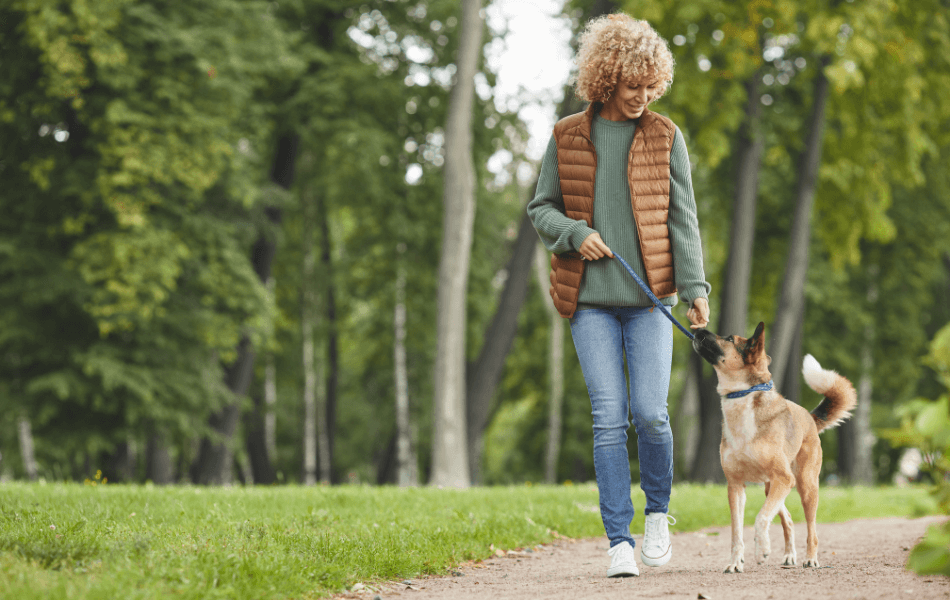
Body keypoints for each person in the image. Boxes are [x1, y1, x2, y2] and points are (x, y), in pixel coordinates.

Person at [527, 13, 711, 578]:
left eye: (651, 87)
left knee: (651, 415)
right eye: (633, 87)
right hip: (589, 302)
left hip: (652, 300)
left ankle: (657, 513)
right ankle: (618, 541)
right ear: (607, 80)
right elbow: (541, 208)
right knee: (608, 418)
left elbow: (683, 220)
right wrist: (575, 234)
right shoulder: (567, 135)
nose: (642, 97)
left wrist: (696, 287)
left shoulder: (665, 136)